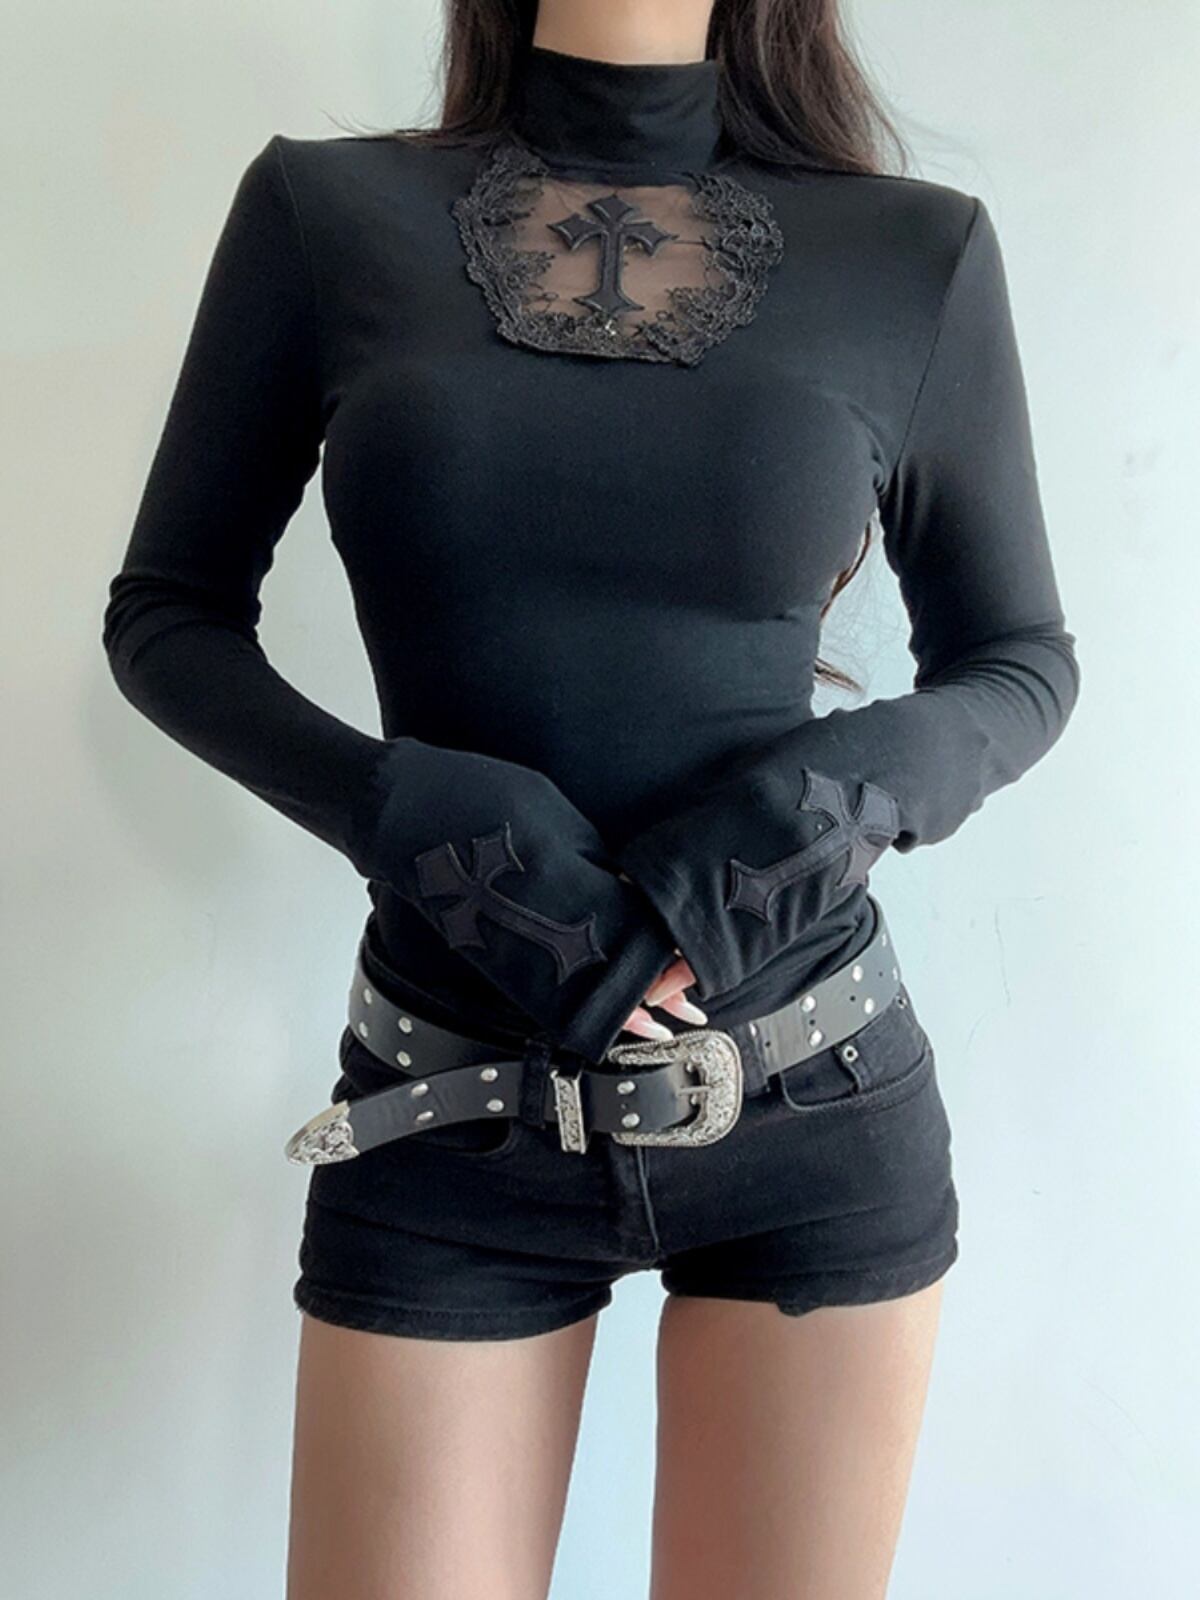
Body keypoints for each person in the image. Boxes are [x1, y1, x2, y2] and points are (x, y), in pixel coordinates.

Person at [101, 2, 1081, 1595]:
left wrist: (826, 808)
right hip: (447, 1108)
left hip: (812, 1099)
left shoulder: (916, 251)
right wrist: (408, 814)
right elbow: (169, 617)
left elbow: (1019, 659)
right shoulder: (325, 215)